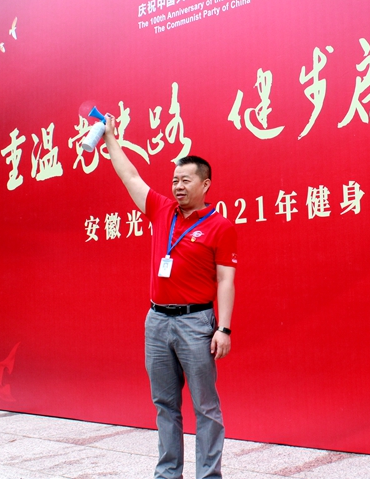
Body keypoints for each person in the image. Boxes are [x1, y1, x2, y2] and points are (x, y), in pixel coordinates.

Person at [103, 114, 237, 479]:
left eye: (185, 180)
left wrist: (223, 328)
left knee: (205, 407)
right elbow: (130, 175)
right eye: (175, 180)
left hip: (197, 323)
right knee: (164, 404)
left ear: (205, 184)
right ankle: (168, 474)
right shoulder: (161, 210)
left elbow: (226, 280)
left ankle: (208, 475)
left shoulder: (220, 227)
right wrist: (111, 137)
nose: (178, 186)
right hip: (157, 321)